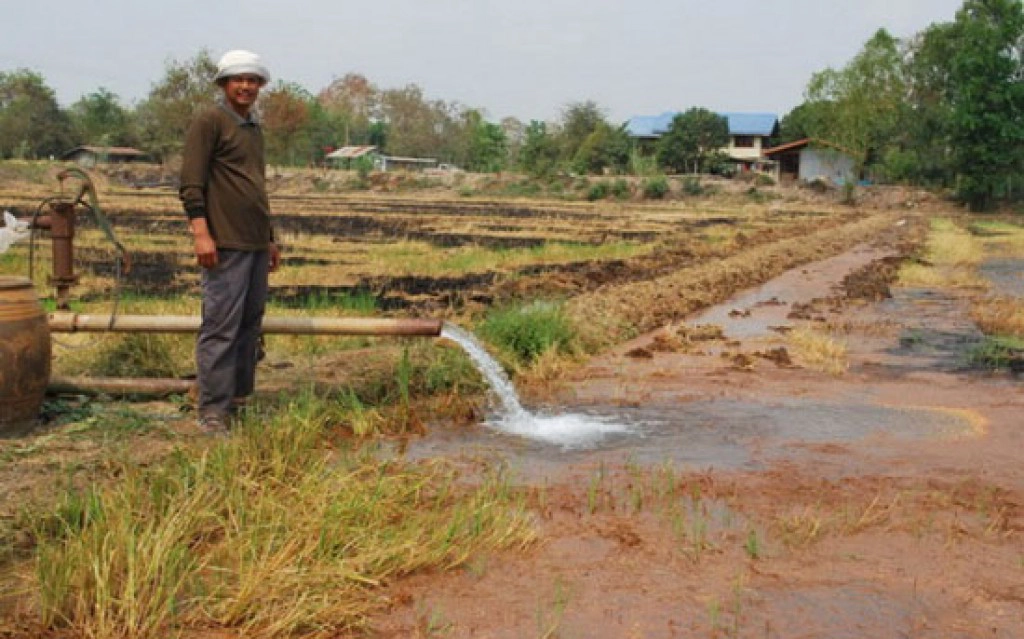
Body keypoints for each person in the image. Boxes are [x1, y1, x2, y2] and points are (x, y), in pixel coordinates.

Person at [179, 49, 281, 434]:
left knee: (249, 326)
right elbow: (191, 183)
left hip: (254, 243)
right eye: (238, 79)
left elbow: (255, 187)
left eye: (253, 80)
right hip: (225, 243)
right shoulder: (210, 121)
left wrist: (269, 239)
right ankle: (213, 411)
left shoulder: (253, 128)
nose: (246, 86)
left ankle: (238, 400)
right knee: (222, 326)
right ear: (224, 84)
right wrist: (201, 233)